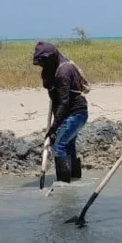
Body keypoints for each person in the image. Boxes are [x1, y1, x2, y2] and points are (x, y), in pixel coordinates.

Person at [33, 42, 89, 183]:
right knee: (69, 145)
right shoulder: (60, 65)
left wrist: (53, 129)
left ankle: (64, 185)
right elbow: (57, 101)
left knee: (59, 146)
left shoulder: (63, 73)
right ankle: (75, 180)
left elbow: (64, 103)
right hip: (76, 113)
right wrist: (55, 126)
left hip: (75, 114)